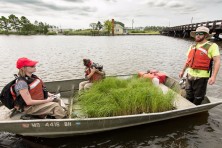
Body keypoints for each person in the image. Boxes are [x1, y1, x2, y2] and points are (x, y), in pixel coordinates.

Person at [179, 26, 220, 105]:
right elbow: (188, 61)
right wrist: (182, 70)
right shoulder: (192, 46)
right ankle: (188, 107)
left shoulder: (212, 46)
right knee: (189, 93)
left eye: (201, 33)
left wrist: (214, 77)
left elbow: (217, 61)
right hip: (189, 75)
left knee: (198, 97)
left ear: (206, 35)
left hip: (201, 77)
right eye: (197, 33)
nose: (198, 35)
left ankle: (194, 109)